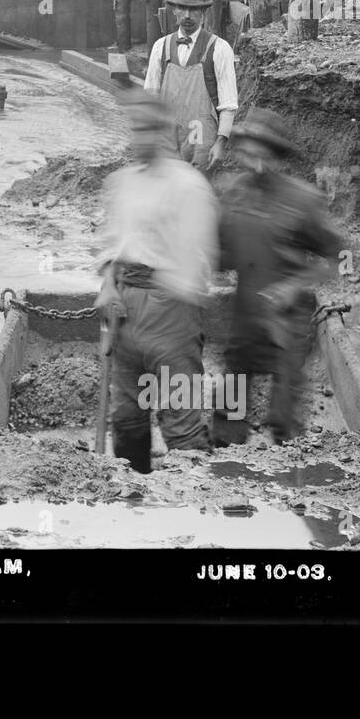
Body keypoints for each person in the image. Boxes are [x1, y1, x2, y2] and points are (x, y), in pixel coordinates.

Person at [94, 91, 218, 472]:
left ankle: (193, 511)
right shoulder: (121, 183)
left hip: (172, 311)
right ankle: (134, 506)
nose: (141, 138)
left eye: (149, 129)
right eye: (136, 129)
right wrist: (108, 285)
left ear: (165, 131)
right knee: (127, 416)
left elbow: (199, 262)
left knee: (180, 423)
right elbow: (111, 247)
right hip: (125, 311)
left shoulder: (189, 185)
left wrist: (166, 299)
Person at [214, 109, 344, 445]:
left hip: (289, 319)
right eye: (249, 156)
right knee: (229, 407)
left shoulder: (303, 200)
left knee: (284, 416)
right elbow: (221, 254)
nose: (256, 166)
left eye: (265, 158)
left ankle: (287, 478)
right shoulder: (232, 194)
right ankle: (224, 473)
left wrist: (292, 285)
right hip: (244, 314)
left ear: (278, 157)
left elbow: (339, 256)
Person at [142, 0, 238, 173]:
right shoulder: (161, 47)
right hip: (168, 135)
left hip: (202, 138)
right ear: (174, 10)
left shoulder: (219, 49)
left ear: (203, 12)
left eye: (193, 10)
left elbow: (228, 104)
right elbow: (151, 97)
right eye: (182, 9)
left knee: (199, 187)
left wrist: (221, 143)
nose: (187, 16)